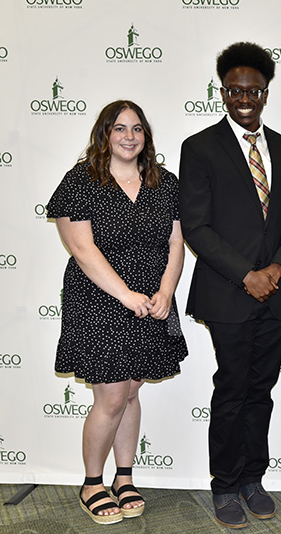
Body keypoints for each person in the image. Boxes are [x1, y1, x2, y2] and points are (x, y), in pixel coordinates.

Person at [179, 42, 281, 529]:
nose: (244, 97)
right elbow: (196, 226)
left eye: (252, 89)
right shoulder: (200, 147)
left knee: (262, 389)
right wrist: (247, 274)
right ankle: (225, 485)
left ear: (266, 94)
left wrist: (276, 269)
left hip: (275, 294)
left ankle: (254, 478)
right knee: (231, 389)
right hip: (228, 293)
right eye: (234, 90)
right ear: (223, 93)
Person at [47, 100, 188, 525]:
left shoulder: (165, 182)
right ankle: (92, 482)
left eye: (137, 129)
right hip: (98, 299)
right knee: (110, 395)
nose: (129, 136)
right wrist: (126, 294)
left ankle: (124, 476)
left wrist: (165, 290)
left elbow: (176, 244)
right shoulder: (82, 180)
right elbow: (82, 249)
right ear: (104, 133)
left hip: (150, 299)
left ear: (146, 136)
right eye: (120, 128)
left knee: (131, 391)